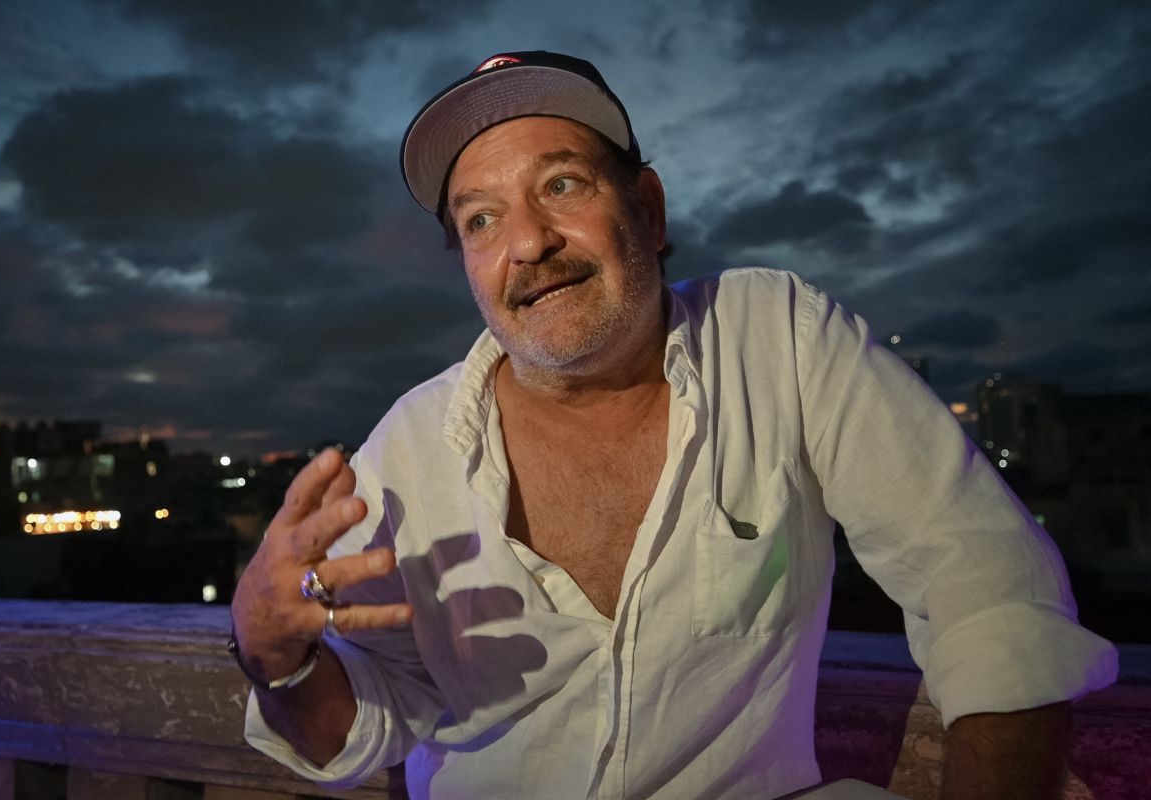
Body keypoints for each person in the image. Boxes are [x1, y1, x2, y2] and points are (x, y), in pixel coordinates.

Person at [230, 51, 1118, 799]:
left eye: (562, 184)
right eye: (481, 219)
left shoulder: (779, 340)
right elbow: (371, 719)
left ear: (648, 211)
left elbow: (986, 588)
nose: (528, 242)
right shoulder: (407, 450)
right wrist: (273, 656)